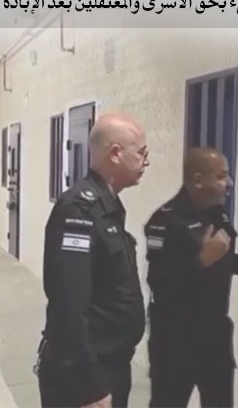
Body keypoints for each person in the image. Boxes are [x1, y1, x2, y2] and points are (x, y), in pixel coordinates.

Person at [144, 147, 238, 408]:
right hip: (175, 340)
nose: (230, 183)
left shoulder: (216, 213)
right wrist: (200, 261)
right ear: (198, 181)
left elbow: (223, 261)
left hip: (213, 336)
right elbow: (160, 283)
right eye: (222, 176)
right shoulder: (165, 221)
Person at [36, 112, 150, 408]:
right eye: (141, 153)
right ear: (115, 153)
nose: (146, 161)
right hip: (85, 375)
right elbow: (68, 306)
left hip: (110, 365)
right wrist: (90, 388)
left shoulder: (107, 206)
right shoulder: (78, 210)